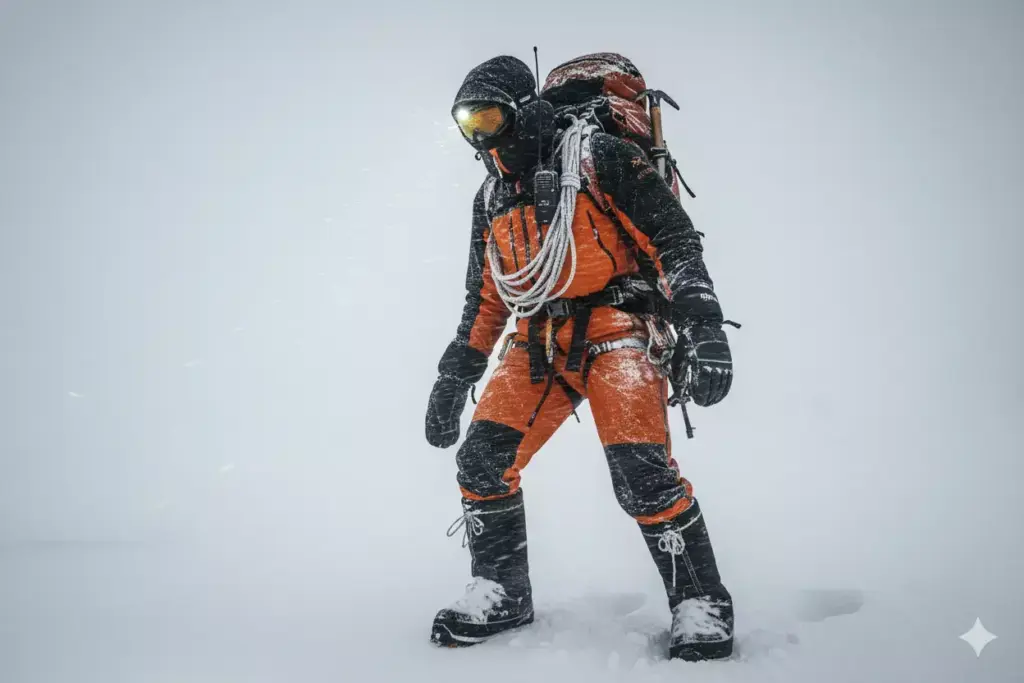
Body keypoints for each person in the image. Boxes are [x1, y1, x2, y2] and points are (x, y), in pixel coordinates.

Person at [424, 55, 736, 661]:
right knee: (482, 462)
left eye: (490, 118)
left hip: (617, 328)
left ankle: (701, 602)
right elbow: (485, 299)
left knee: (642, 475)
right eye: (469, 124)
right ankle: (502, 592)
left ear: (522, 110)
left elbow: (674, 242)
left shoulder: (600, 158)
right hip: (537, 339)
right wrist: (452, 377)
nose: (482, 136)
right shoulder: (492, 197)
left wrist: (704, 328)